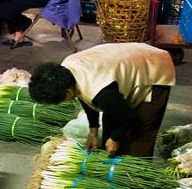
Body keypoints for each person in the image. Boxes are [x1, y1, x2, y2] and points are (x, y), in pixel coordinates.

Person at [28, 43, 176, 157]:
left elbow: (130, 116)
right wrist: (93, 133)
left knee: (141, 131)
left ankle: (140, 176)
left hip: (153, 67)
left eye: (61, 99)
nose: (64, 102)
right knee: (110, 124)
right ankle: (116, 160)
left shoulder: (101, 92)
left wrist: (115, 138)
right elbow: (87, 100)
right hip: (123, 64)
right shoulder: (66, 71)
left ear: (68, 91)